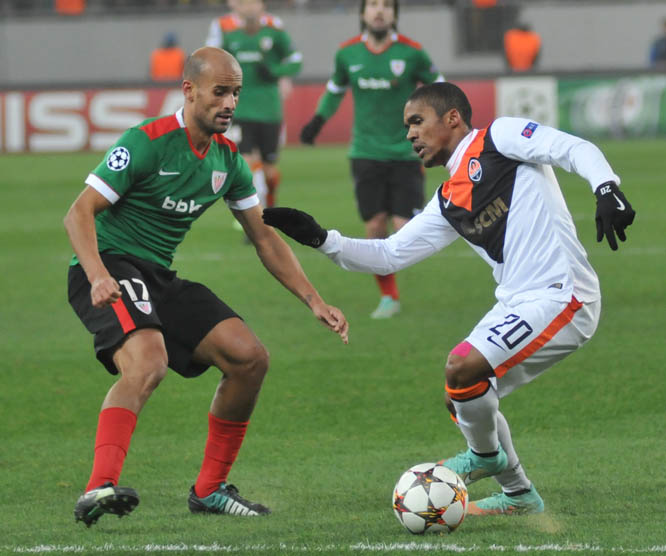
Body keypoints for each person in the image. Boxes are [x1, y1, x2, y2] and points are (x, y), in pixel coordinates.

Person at [263, 81, 635, 516]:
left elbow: (572, 148)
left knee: (462, 367)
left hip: (563, 294)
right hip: (518, 301)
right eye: (407, 127)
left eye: (417, 122)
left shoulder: (500, 139)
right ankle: (519, 495)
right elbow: (389, 255)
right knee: (460, 395)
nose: (410, 135)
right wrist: (322, 239)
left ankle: (484, 459)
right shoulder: (446, 200)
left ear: (452, 118)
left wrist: (605, 187)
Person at [65, 46, 348, 527]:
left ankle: (210, 490)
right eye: (220, 92)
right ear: (189, 90)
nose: (230, 103)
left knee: (249, 358)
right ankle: (98, 487)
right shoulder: (147, 142)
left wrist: (314, 299)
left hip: (158, 275)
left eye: (236, 92)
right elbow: (79, 213)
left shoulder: (229, 161)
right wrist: (97, 275)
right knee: (147, 363)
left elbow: (263, 236)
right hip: (109, 266)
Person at [300, 0, 444, 319]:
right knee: (376, 226)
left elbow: (440, 87)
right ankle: (389, 296)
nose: (379, 11)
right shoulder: (347, 54)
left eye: (386, 6)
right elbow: (334, 91)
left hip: (406, 152)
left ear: (395, 14)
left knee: (404, 227)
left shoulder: (412, 53)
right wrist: (317, 122)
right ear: (363, 13)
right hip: (365, 153)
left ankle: (398, 284)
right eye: (373, 5)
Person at [205, 0, 302, 210]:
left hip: (270, 110)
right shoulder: (225, 30)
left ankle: (271, 199)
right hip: (239, 109)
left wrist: (277, 73)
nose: (249, 7)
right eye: (244, 3)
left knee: (270, 171)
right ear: (235, 7)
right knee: (245, 164)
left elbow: (296, 60)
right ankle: (255, 216)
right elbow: (212, 61)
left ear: (262, 6)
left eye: (253, 3)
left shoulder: (274, 29)